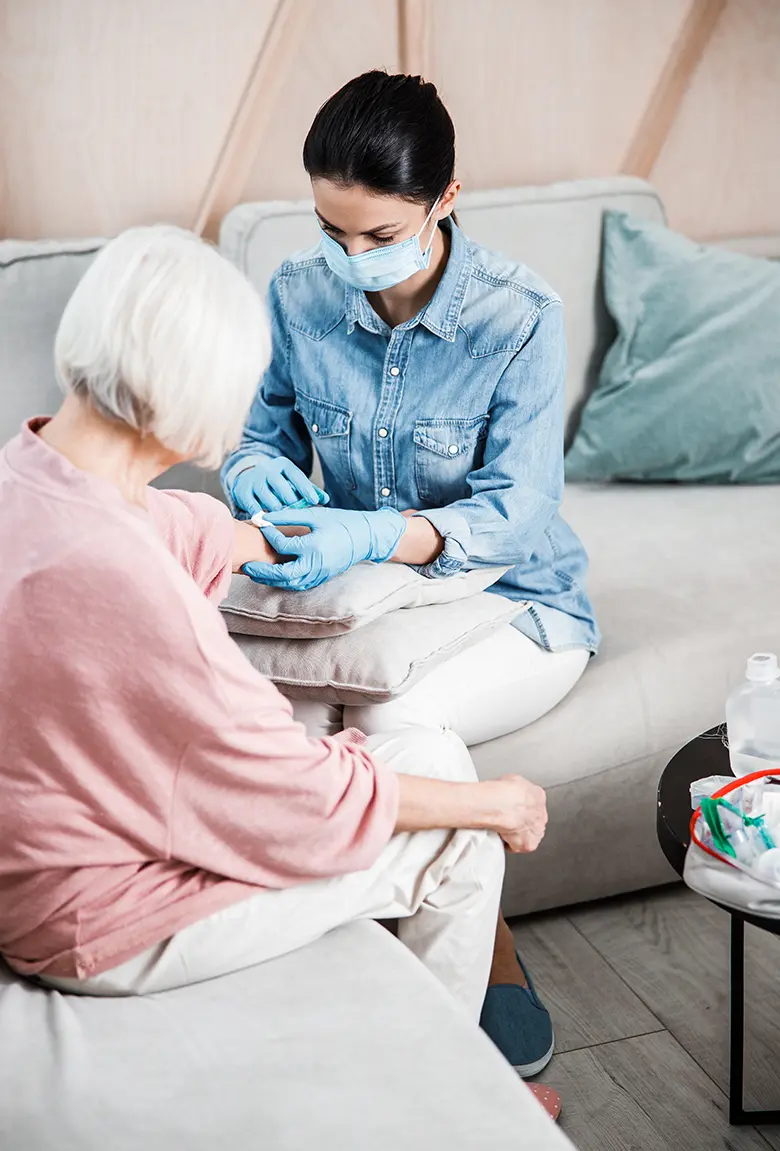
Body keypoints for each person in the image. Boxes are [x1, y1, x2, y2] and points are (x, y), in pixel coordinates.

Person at [0, 225, 561, 1117]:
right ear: (192, 391)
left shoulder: (30, 473)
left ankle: (430, 1061)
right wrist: (495, 805)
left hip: (59, 843)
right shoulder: (123, 587)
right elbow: (295, 800)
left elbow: (171, 529)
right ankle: (443, 1109)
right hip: (102, 916)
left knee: (419, 745)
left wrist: (279, 534)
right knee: (459, 825)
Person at [220, 70, 600, 1077]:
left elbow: (516, 513)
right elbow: (260, 432)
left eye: (378, 234)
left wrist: (374, 533)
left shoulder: (518, 314)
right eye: (331, 230)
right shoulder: (299, 292)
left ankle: (430, 1043)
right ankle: (418, 963)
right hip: (379, 595)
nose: (351, 259)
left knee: (386, 725)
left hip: (513, 597)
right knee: (289, 716)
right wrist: (253, 464)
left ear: (446, 200)